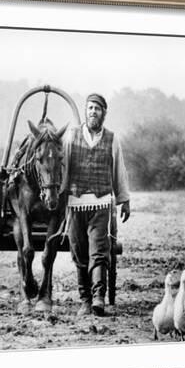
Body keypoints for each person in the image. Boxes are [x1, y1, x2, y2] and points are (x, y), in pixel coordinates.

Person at [61, 93, 130, 316]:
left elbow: (119, 170)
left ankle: (98, 297)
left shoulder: (112, 139)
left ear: (104, 114)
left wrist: (124, 200)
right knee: (79, 253)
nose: (93, 112)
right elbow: (63, 170)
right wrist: (57, 198)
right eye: (90, 108)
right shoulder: (71, 137)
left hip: (100, 205)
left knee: (99, 252)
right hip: (75, 204)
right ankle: (85, 300)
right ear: (85, 111)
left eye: (97, 109)